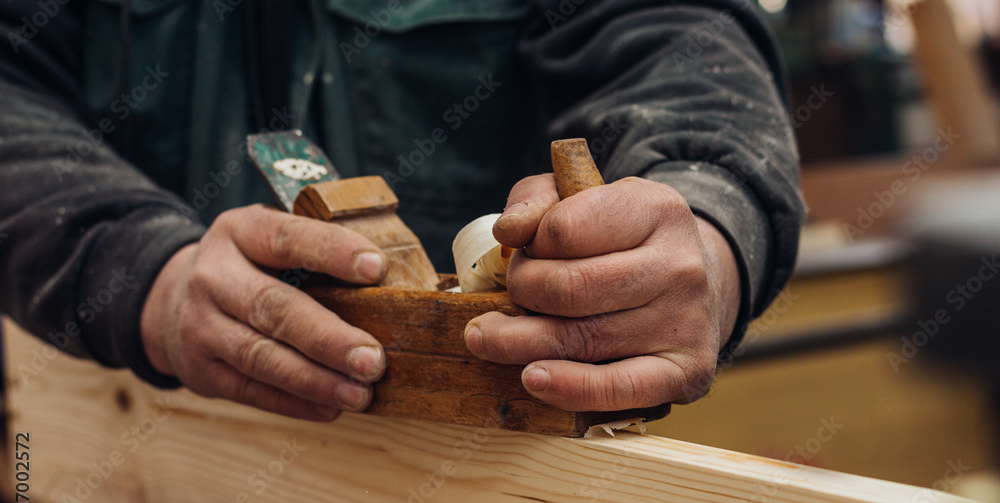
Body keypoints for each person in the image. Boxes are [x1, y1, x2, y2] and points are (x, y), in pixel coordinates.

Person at [0, 0, 803, 422]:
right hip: (132, 429)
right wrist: (143, 275)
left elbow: (678, 41)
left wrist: (707, 224)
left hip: (502, 454)